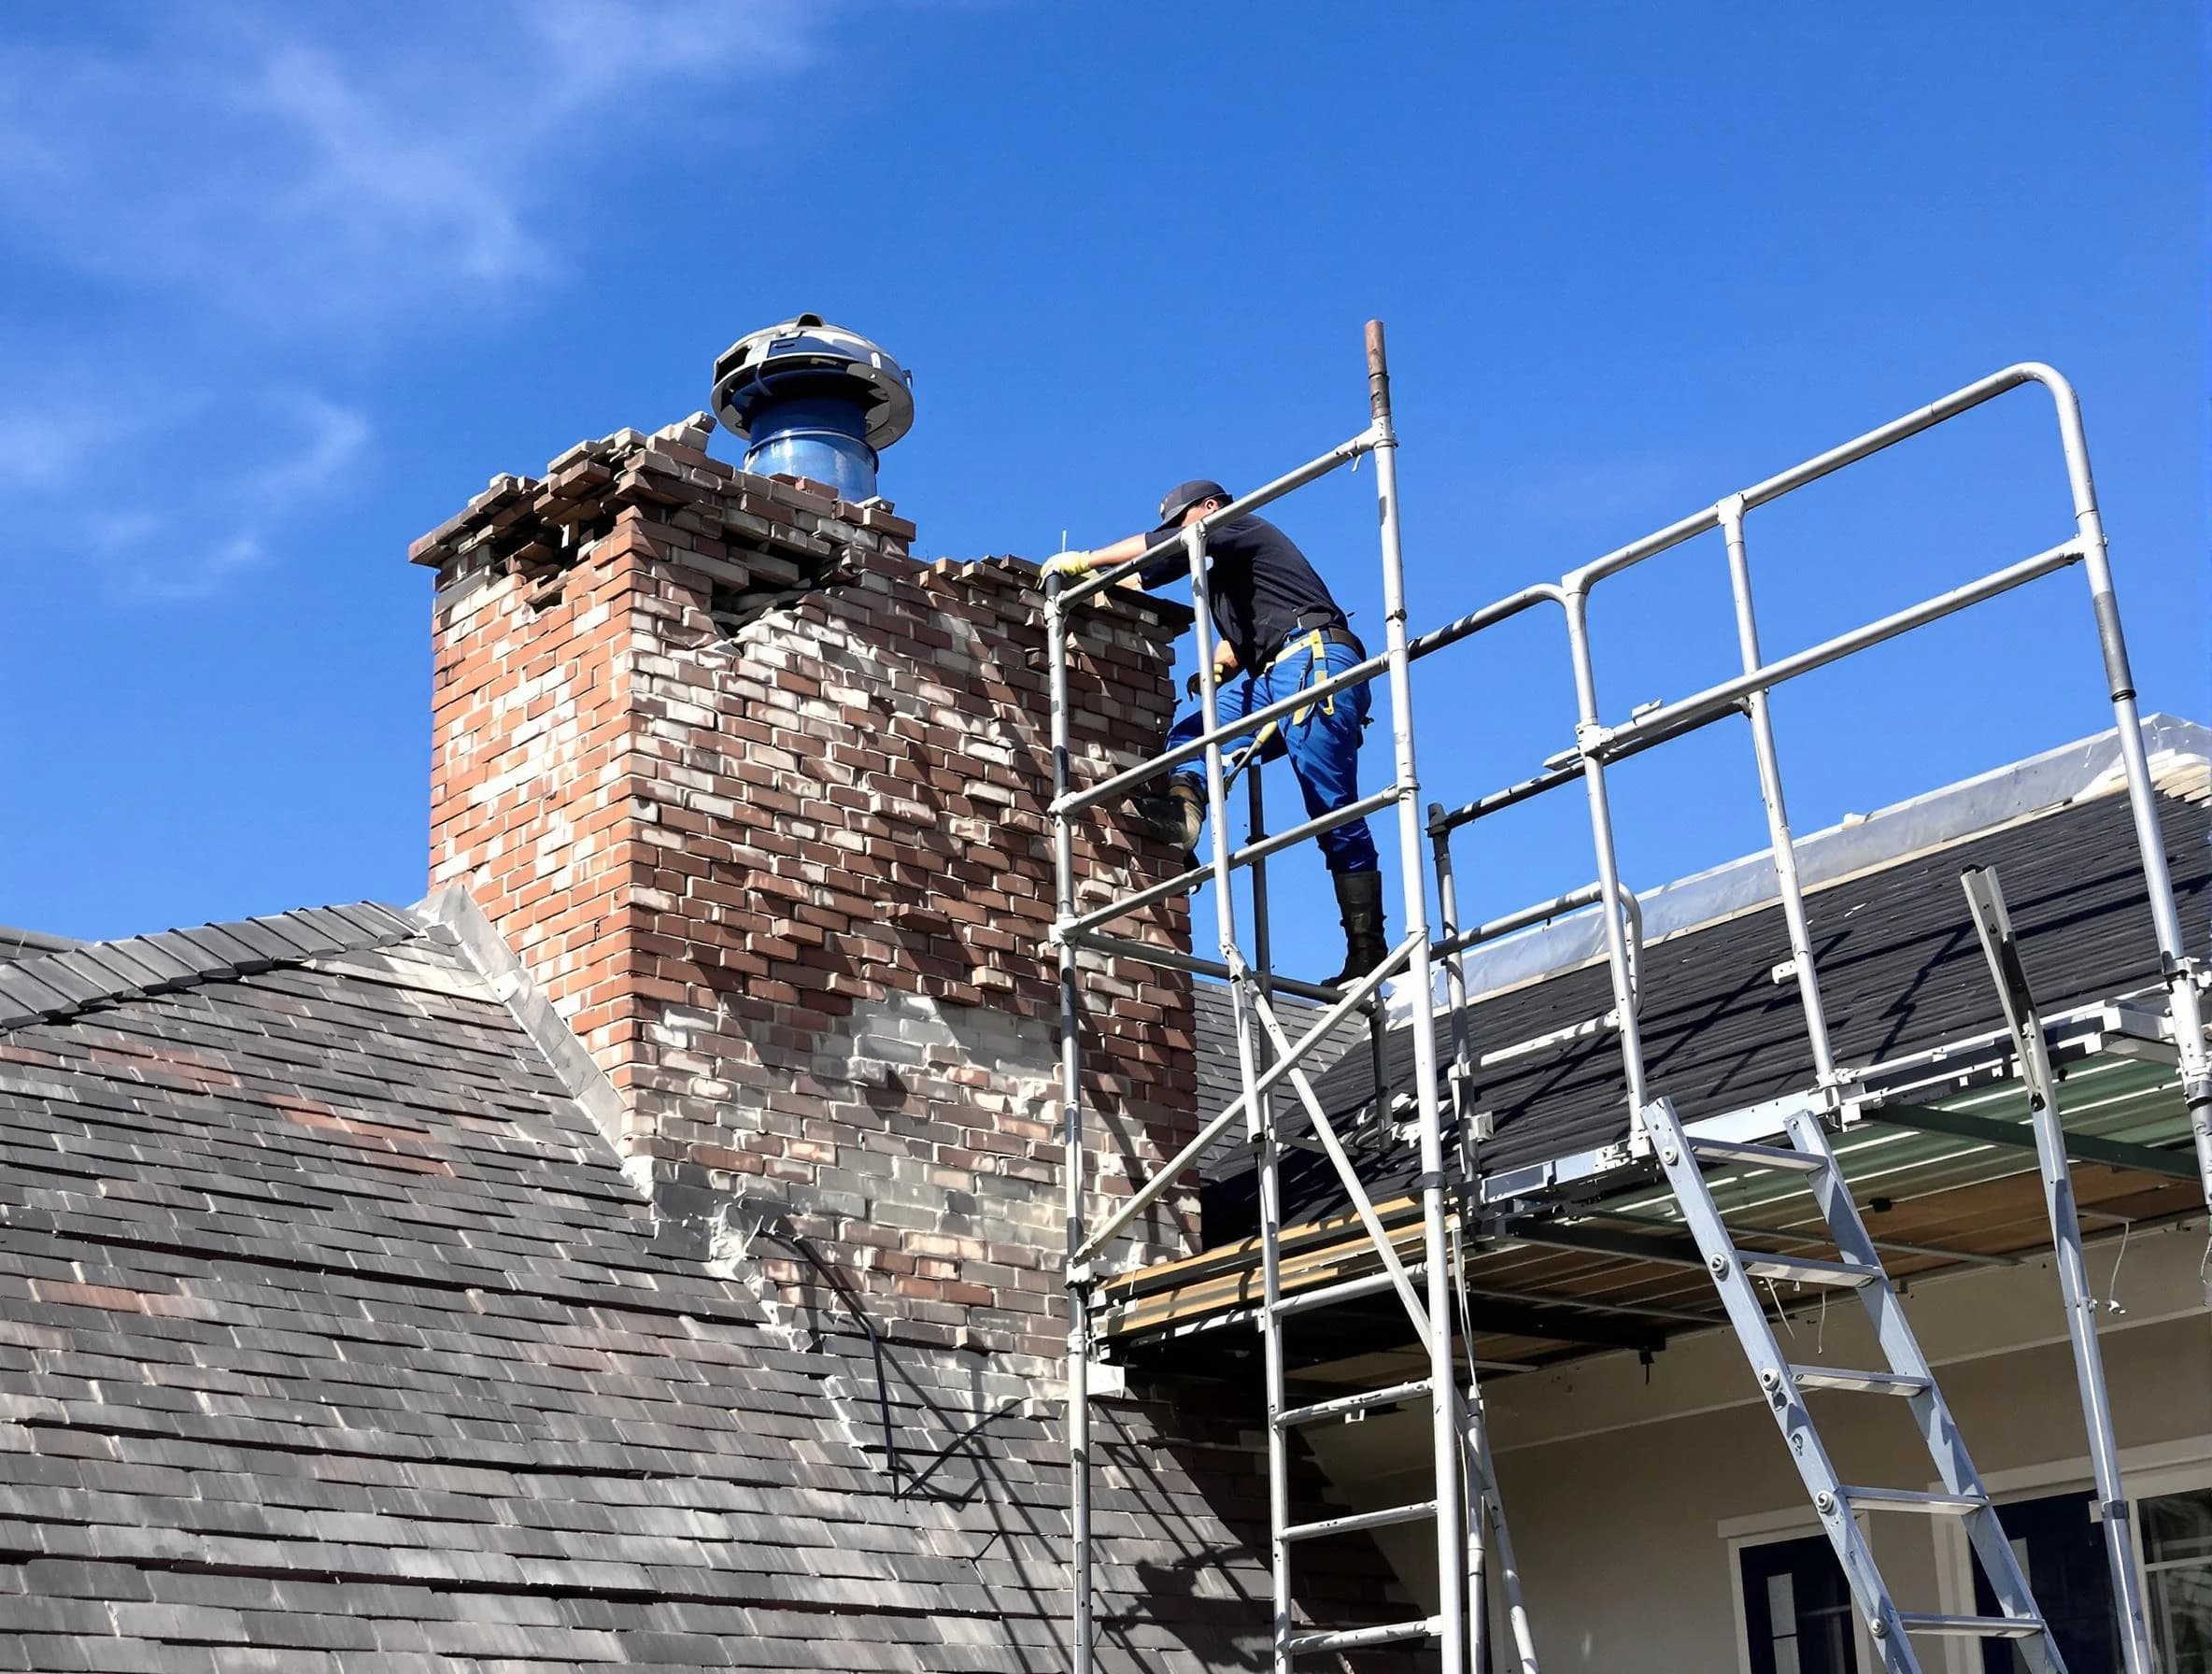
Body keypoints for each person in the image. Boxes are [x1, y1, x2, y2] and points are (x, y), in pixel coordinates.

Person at [1042, 479, 1385, 987]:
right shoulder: (1225, 576)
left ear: (1208, 509)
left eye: (1181, 522)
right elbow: (1152, 575)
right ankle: (1185, 814)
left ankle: (1368, 949)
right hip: (1273, 673)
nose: (1182, 533)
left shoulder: (1242, 522)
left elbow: (1167, 547)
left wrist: (1086, 560)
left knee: (1330, 807)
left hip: (1314, 662)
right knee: (1193, 737)